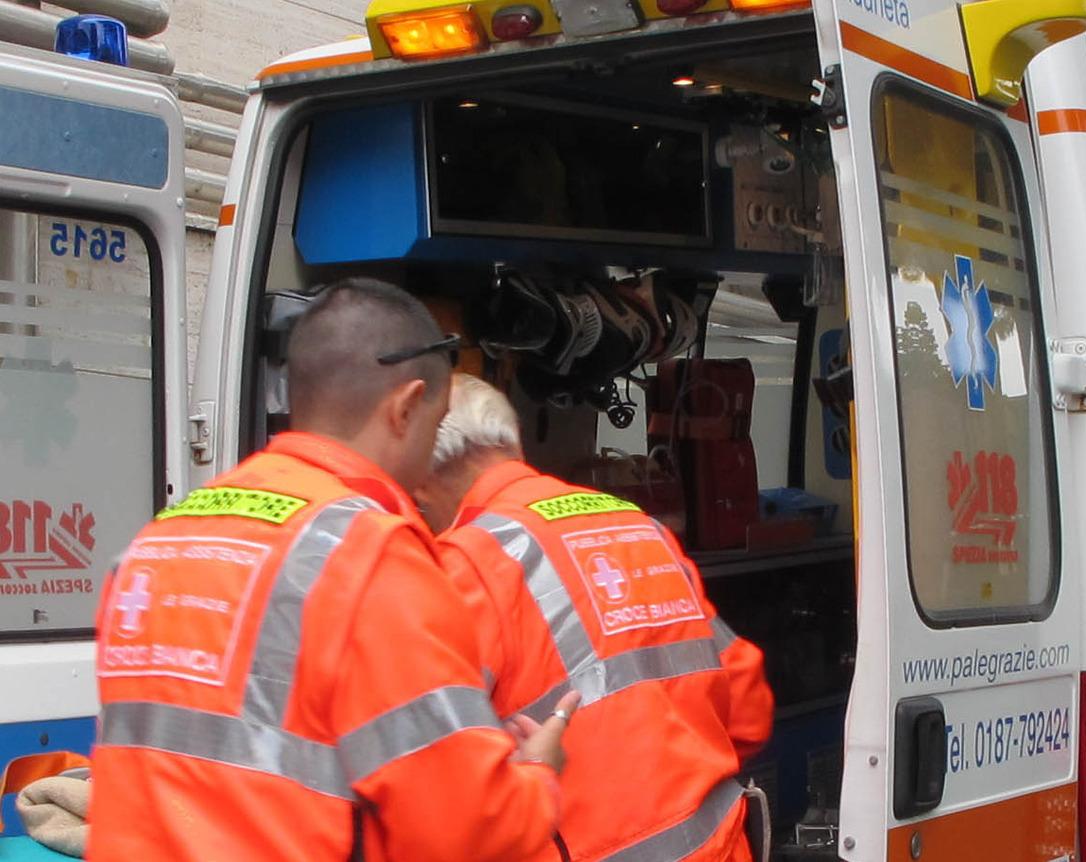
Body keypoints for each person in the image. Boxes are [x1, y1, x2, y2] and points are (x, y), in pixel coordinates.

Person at [89, 279, 577, 862]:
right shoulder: (370, 557)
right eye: (435, 421)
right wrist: (536, 776)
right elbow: (464, 831)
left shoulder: (162, 539)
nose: (427, 466)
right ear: (403, 408)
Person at [416, 374, 774, 862]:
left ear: (421, 478)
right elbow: (748, 712)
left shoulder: (461, 565)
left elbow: (429, 795)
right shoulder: (640, 527)